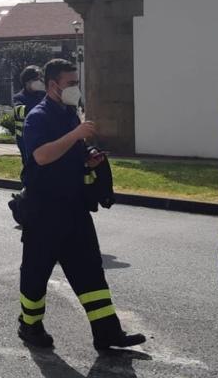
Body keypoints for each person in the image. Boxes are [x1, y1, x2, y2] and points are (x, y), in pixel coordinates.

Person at [17, 59, 145, 351]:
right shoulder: (38, 117)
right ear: (52, 86)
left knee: (90, 270)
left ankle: (107, 333)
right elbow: (41, 156)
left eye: (77, 82)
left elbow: (71, 151)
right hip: (44, 211)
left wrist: (88, 156)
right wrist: (76, 135)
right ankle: (30, 325)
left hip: (73, 208)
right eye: (71, 83)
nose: (76, 88)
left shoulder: (69, 114)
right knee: (36, 273)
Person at [12, 65, 46, 161]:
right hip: (25, 139)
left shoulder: (43, 94)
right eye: (36, 79)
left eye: (40, 79)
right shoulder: (19, 97)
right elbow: (20, 112)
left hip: (42, 137)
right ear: (27, 81)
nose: (39, 81)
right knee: (29, 165)